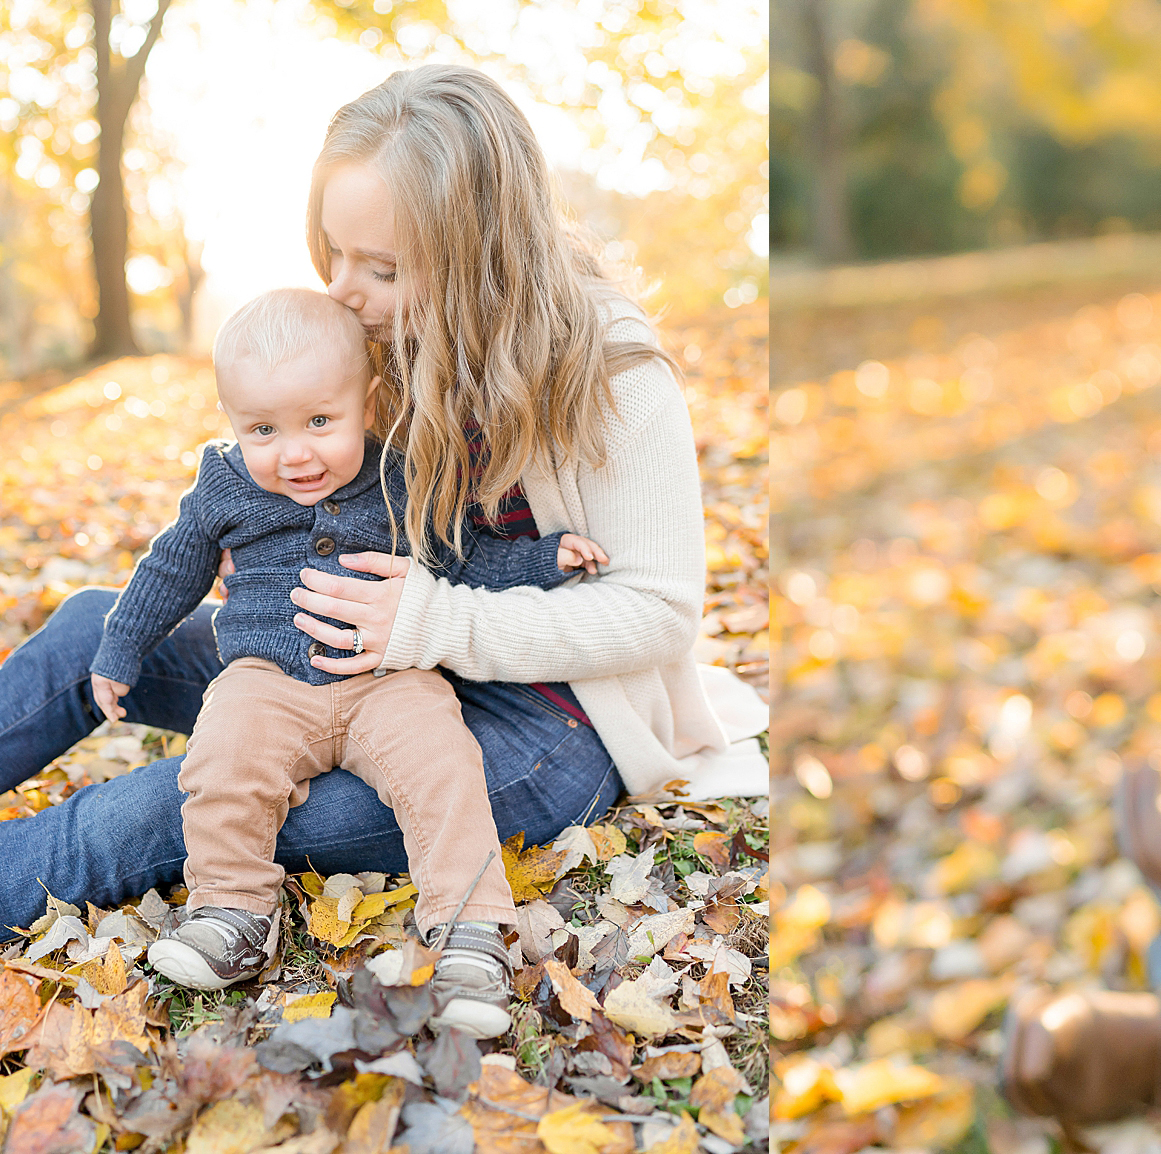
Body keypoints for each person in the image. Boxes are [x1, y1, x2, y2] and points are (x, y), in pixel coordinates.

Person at [0, 63, 762, 937]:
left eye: (383, 266)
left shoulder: (613, 369)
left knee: (153, 811)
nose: (343, 291)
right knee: (95, 626)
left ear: (480, 254)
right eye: (336, 253)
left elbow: (659, 613)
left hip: (536, 729)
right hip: (339, 661)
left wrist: (429, 623)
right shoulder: (377, 340)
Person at [93, 288, 603, 1035]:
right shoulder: (226, 484)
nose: (294, 452)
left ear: (367, 402)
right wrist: (120, 644)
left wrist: (540, 562)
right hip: (267, 680)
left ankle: (469, 932)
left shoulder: (404, 475)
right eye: (263, 428)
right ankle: (233, 913)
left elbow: (463, 558)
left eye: (320, 422)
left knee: (443, 766)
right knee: (221, 759)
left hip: (389, 679)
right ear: (232, 420)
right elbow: (171, 569)